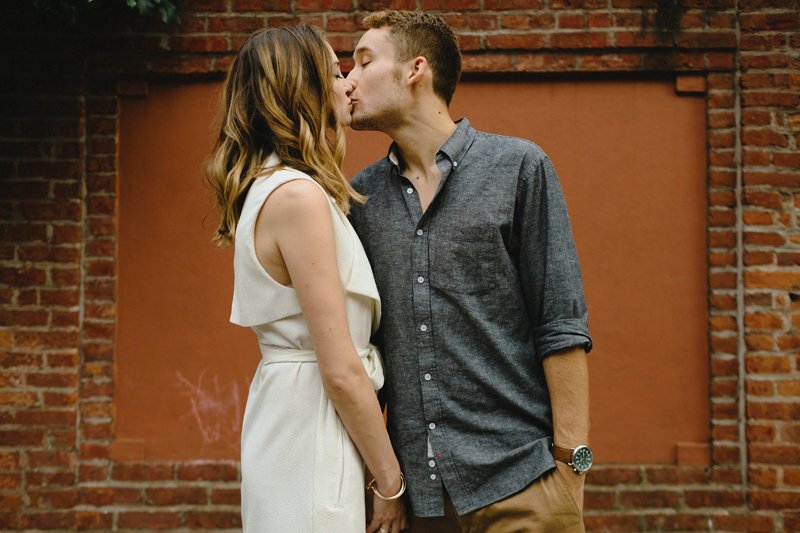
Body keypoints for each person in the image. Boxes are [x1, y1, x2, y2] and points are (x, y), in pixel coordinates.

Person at [347, 11, 593, 532]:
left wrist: (573, 469)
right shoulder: (360, 199)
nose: (348, 80)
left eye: (364, 62)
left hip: (523, 485)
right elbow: (365, 352)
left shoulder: (520, 168)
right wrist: (384, 483)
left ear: (416, 70)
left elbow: (561, 324)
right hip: (420, 504)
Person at [205, 25, 407, 533]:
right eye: (338, 73)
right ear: (307, 88)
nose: (348, 85)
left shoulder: (279, 188)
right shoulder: (298, 197)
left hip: (298, 416)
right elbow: (339, 368)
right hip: (312, 423)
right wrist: (389, 481)